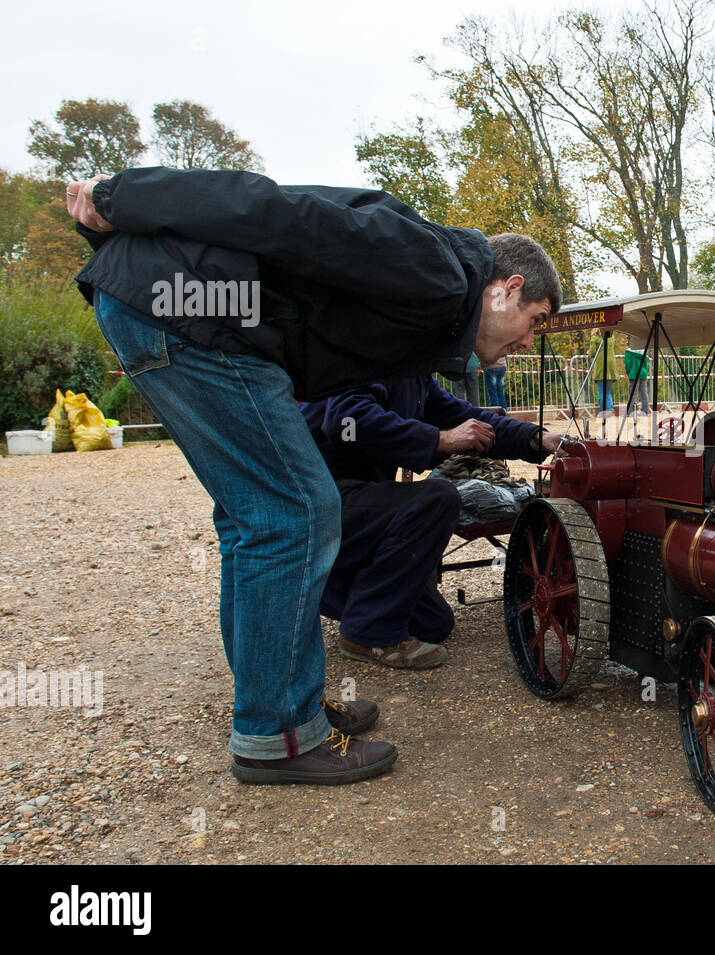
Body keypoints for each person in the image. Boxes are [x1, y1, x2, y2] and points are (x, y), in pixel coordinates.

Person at [66, 167, 561, 785]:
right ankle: (276, 734)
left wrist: (531, 437)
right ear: (506, 290)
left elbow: (435, 404)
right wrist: (121, 197)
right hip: (194, 319)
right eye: (535, 320)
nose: (530, 341)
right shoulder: (433, 269)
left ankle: (284, 707)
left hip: (168, 310)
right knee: (294, 513)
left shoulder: (427, 314)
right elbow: (276, 209)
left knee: (256, 520)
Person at [300, 378, 561, 668]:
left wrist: (537, 438)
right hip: (316, 497)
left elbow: (468, 418)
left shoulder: (416, 376)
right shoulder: (371, 354)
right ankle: (367, 632)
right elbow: (346, 420)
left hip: (355, 499)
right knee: (437, 499)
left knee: (433, 624)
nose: (526, 342)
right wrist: (442, 439)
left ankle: (334, 593)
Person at [624, 346, 650, 415]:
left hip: (633, 374)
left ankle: (631, 411)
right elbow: (645, 364)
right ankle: (645, 410)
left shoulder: (629, 352)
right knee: (643, 393)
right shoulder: (643, 350)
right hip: (642, 374)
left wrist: (629, 372)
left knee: (632, 394)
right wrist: (644, 372)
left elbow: (627, 364)